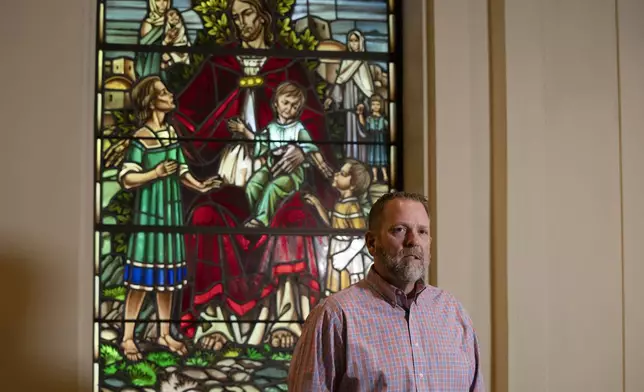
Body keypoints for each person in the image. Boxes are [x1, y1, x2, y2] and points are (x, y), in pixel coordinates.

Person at [288, 192, 485, 391]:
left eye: (422, 232)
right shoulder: (335, 317)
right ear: (372, 243)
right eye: (399, 230)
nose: (413, 241)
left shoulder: (453, 313)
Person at [118, 75, 220, 361]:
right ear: (151, 102)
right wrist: (155, 173)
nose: (170, 94)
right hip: (150, 215)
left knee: (167, 279)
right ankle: (127, 338)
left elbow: (180, 169)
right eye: (163, 92)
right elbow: (126, 178)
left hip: (171, 213)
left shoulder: (172, 133)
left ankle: (164, 334)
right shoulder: (141, 137)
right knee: (139, 282)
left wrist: (200, 186)